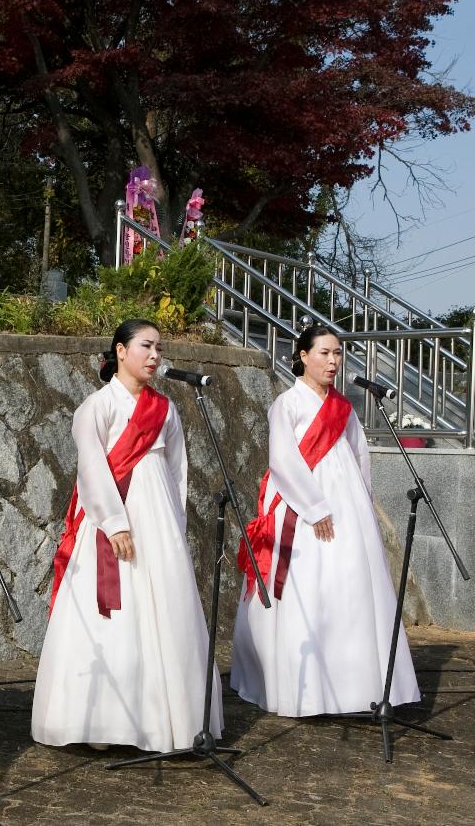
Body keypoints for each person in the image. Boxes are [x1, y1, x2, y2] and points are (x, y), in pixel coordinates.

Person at [32, 319, 221, 752]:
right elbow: (92, 470)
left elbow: (178, 470)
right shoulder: (95, 408)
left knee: (163, 610)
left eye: (158, 348)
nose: (154, 356)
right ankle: (101, 722)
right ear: (120, 350)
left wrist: (173, 520)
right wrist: (114, 523)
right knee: (111, 617)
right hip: (111, 517)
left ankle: (162, 717)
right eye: (145, 346)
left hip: (157, 515)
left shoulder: (166, 409)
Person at [230, 323, 421, 717]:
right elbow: (283, 460)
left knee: (352, 587)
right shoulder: (289, 404)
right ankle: (303, 687)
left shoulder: (344, 407)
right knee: (308, 587)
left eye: (337, 354)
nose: (333, 361)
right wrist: (315, 508)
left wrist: (363, 503)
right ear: (303, 356)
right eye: (324, 353)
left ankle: (355, 686)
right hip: (303, 505)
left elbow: (359, 456)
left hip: (347, 504)